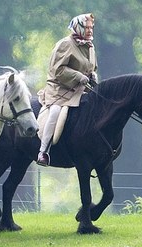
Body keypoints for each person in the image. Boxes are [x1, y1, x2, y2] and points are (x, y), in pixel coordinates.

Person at [37, 13, 98, 166]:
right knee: (56, 112)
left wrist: (92, 75)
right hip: (59, 89)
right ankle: (43, 151)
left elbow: (91, 66)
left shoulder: (90, 46)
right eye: (87, 27)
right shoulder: (65, 44)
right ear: (78, 27)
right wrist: (78, 76)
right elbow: (57, 70)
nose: (90, 30)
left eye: (91, 27)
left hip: (80, 90)